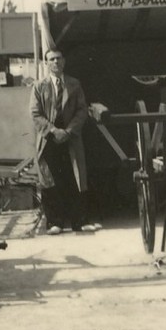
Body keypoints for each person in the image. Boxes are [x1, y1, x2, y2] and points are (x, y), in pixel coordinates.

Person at [30, 48, 101, 235]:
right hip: (49, 140)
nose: (55, 62)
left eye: (58, 58)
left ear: (64, 61)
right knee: (50, 181)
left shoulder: (74, 84)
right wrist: (53, 131)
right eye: (51, 59)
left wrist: (68, 132)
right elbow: (35, 113)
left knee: (75, 179)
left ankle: (80, 221)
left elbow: (81, 110)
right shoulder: (39, 86)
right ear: (46, 64)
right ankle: (55, 223)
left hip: (70, 139)